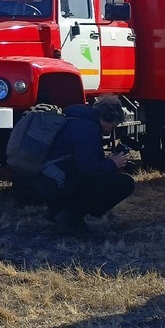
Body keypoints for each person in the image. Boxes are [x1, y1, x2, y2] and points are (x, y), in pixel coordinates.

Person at [35, 95, 135, 232]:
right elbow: (87, 169)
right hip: (58, 184)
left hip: (48, 178)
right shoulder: (87, 128)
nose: (112, 129)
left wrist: (106, 161)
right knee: (124, 183)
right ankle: (69, 214)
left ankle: (57, 209)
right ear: (109, 118)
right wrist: (113, 164)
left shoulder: (75, 118)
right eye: (114, 125)